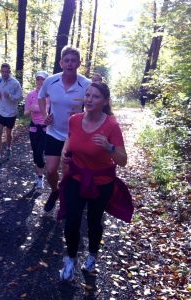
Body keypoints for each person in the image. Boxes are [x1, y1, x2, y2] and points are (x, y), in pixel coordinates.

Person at [58, 82, 127, 281]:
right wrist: (65, 151)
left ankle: (92, 254)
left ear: (105, 101)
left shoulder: (111, 125)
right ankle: (70, 259)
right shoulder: (74, 119)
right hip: (77, 177)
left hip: (101, 182)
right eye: (87, 95)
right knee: (72, 220)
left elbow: (123, 161)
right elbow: (70, 138)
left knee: (94, 222)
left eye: (95, 96)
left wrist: (109, 148)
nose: (89, 99)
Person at [38, 46, 91, 212]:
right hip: (54, 132)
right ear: (61, 63)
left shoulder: (86, 84)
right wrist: (45, 114)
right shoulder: (51, 81)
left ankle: (65, 201)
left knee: (67, 172)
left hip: (74, 135)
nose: (69, 64)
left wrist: (83, 114)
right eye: (66, 60)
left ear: (79, 63)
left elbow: (94, 105)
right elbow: (41, 97)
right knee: (51, 170)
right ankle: (55, 191)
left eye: (73, 60)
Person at [24, 71, 49, 190]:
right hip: (33, 127)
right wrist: (30, 110)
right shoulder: (30, 95)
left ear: (46, 81)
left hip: (45, 128)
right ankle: (39, 173)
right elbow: (25, 113)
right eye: (38, 79)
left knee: (39, 152)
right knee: (35, 153)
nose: (40, 82)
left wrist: (39, 108)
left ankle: (40, 177)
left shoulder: (50, 96)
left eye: (42, 79)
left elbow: (52, 112)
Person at [0, 63, 22, 163]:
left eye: (7, 72)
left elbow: (19, 97)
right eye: (3, 71)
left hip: (11, 113)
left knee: (8, 133)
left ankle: (9, 148)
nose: (5, 73)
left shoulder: (15, 83)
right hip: (0, 111)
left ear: (10, 72)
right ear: (0, 71)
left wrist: (10, 96)